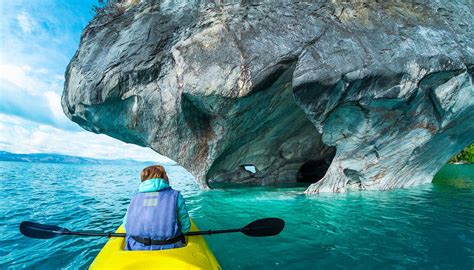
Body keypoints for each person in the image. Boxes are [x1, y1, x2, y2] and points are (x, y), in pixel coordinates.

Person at [122, 165, 191, 250]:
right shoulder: (176, 196)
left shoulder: (134, 198)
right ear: (162, 177)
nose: (168, 177)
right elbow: (185, 227)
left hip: (135, 247)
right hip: (170, 247)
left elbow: (125, 225)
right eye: (166, 174)